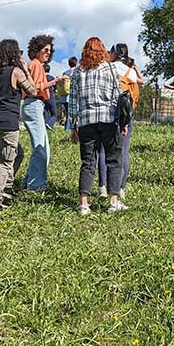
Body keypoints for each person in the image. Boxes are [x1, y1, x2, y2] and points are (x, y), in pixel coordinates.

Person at [70, 37, 128, 215]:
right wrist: (123, 122)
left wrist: (73, 126)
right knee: (113, 160)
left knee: (87, 162)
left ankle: (84, 204)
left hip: (86, 121)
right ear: (102, 51)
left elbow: (73, 101)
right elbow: (118, 95)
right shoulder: (109, 68)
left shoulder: (78, 71)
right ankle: (113, 201)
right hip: (108, 119)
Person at [0, 39, 38, 208]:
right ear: (14, 54)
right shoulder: (15, 72)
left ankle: (7, 188)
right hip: (7, 123)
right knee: (4, 163)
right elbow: (33, 91)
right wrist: (26, 71)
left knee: (18, 154)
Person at [96, 43, 144, 200]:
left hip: (106, 114)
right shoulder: (129, 72)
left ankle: (102, 187)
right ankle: (120, 188)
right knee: (123, 152)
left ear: (113, 54)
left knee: (103, 151)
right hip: (124, 115)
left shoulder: (107, 69)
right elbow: (141, 82)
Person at [20, 35, 63, 192]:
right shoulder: (36, 65)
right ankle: (35, 186)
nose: (48, 53)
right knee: (40, 148)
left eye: (50, 51)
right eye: (45, 50)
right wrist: (55, 82)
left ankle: (28, 182)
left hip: (34, 105)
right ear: (37, 49)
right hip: (34, 103)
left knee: (43, 148)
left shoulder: (34, 64)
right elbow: (36, 88)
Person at [58, 57, 76, 131]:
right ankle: (68, 129)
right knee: (71, 113)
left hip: (63, 96)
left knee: (67, 113)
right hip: (71, 95)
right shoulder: (76, 71)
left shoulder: (65, 73)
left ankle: (66, 127)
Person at [44, 63, 58, 129]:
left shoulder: (41, 78)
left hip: (43, 97)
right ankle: (50, 124)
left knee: (45, 112)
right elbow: (56, 89)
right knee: (54, 114)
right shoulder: (51, 77)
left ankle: (46, 126)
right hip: (50, 97)